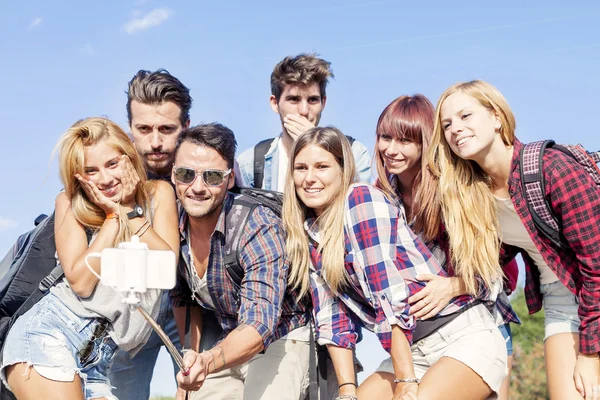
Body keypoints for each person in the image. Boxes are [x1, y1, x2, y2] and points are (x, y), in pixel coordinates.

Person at [282, 126, 507, 400]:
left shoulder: (360, 200)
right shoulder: (308, 235)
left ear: (343, 170)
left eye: (322, 167)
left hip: (459, 336)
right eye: (301, 168)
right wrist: (347, 392)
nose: (310, 178)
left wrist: (405, 379)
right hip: (411, 350)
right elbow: (333, 320)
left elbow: (388, 295)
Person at [426, 79, 600, 400]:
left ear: (496, 117)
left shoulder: (551, 168)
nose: (455, 129)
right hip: (560, 302)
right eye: (447, 124)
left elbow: (597, 266)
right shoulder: (478, 195)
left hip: (595, 295)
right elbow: (494, 263)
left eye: (466, 116)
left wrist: (590, 355)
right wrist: (454, 285)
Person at [0, 117, 179, 399]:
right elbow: (81, 282)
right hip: (49, 336)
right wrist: (112, 216)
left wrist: (130, 208)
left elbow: (166, 268)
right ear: (78, 176)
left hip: (100, 359)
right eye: (91, 171)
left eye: (112, 164)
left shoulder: (158, 194)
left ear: (129, 157)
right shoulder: (69, 203)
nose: (106, 179)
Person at [371, 94, 520, 399]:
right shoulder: (379, 197)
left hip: (479, 319)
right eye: (385, 137)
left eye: (405, 140)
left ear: (425, 141)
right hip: (418, 339)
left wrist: (454, 285)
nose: (391, 149)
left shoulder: (453, 188)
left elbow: (499, 273)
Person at [172, 123, 311, 400]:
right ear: (173, 175)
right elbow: (182, 299)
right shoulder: (171, 221)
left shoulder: (256, 224)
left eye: (212, 177)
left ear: (231, 178)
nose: (197, 187)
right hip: (230, 342)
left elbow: (260, 324)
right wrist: (189, 363)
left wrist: (207, 360)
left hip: (284, 337)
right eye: (186, 174)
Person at [111, 69, 221, 400]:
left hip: (198, 306)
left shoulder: (212, 166)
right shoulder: (109, 172)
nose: (156, 141)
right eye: (144, 129)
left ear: (185, 126)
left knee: (206, 392)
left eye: (167, 129)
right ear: (129, 128)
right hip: (130, 302)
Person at [236, 53, 371, 189]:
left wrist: (315, 144)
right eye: (294, 99)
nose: (304, 110)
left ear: (323, 102)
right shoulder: (250, 163)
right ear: (275, 103)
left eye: (313, 100)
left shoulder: (354, 153)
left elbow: (358, 204)